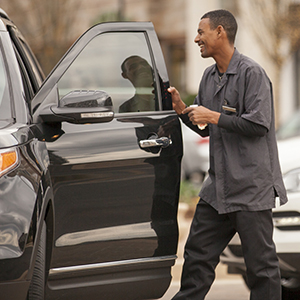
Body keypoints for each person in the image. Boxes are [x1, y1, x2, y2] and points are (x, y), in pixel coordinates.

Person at [168, 9, 288, 300]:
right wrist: (183, 111)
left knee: (261, 269)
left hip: (250, 188)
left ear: (220, 32)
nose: (196, 38)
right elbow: (205, 127)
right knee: (196, 258)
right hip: (218, 190)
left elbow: (259, 125)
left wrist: (214, 116)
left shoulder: (252, 73)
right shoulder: (209, 77)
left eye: (201, 32)